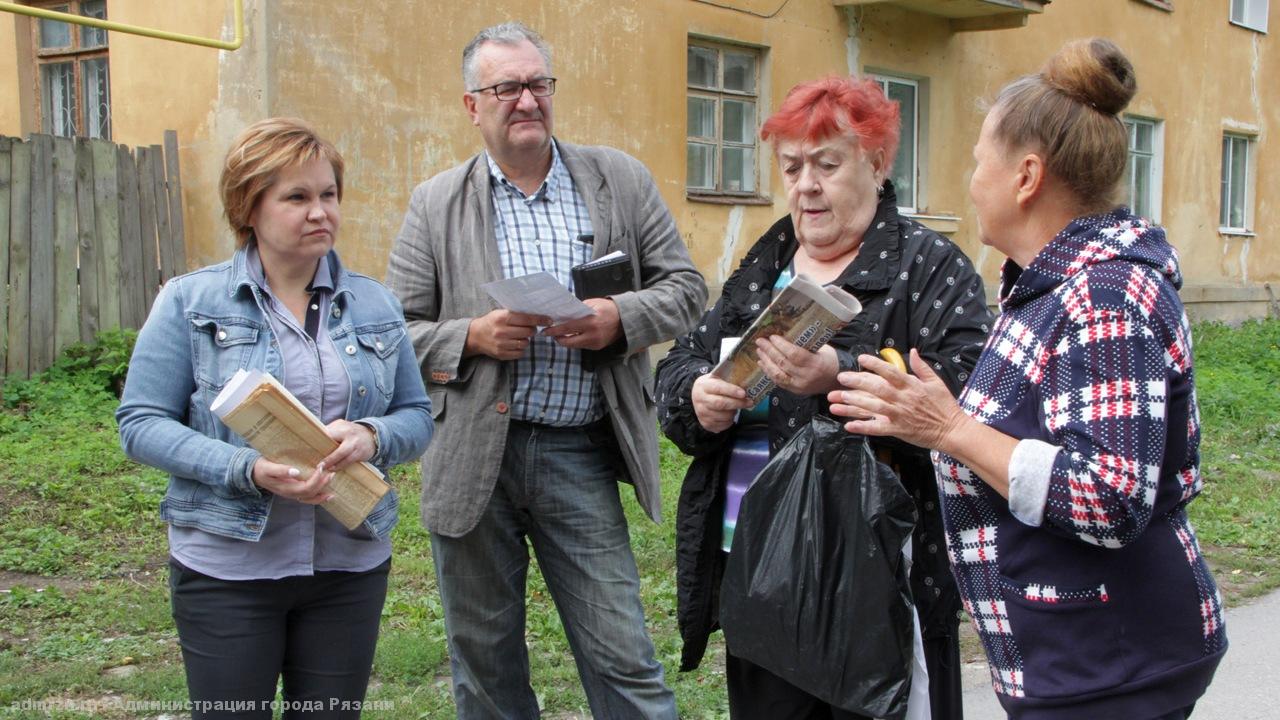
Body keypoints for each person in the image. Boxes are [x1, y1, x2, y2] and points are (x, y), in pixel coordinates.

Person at [829, 38, 1227, 720]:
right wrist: (931, 420)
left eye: (980, 160)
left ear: (1026, 176)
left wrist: (950, 428)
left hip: (1113, 665)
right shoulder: (1047, 292)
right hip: (1075, 657)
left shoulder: (1104, 297)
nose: (971, 178)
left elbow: (1108, 496)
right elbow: (1028, 434)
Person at [385, 21, 706, 719]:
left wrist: (616, 318)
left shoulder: (618, 179)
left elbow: (686, 289)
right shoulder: (435, 203)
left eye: (538, 84)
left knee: (623, 652)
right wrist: (470, 335)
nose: (526, 100)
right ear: (474, 105)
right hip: (474, 456)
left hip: (577, 451)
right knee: (486, 662)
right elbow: (392, 336)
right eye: (507, 87)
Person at [655, 76, 993, 720]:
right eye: (791, 166)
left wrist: (835, 374)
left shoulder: (927, 266)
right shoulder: (768, 261)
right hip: (760, 570)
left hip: (878, 579)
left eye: (827, 163)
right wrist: (697, 395)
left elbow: (972, 385)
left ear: (876, 161)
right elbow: (681, 361)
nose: (806, 185)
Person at [116, 118, 434, 718]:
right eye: (297, 197)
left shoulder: (375, 303)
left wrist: (371, 435)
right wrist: (248, 468)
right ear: (249, 207)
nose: (320, 212)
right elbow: (141, 422)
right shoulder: (191, 302)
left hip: (349, 563)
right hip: (228, 568)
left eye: (328, 195)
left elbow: (417, 414)